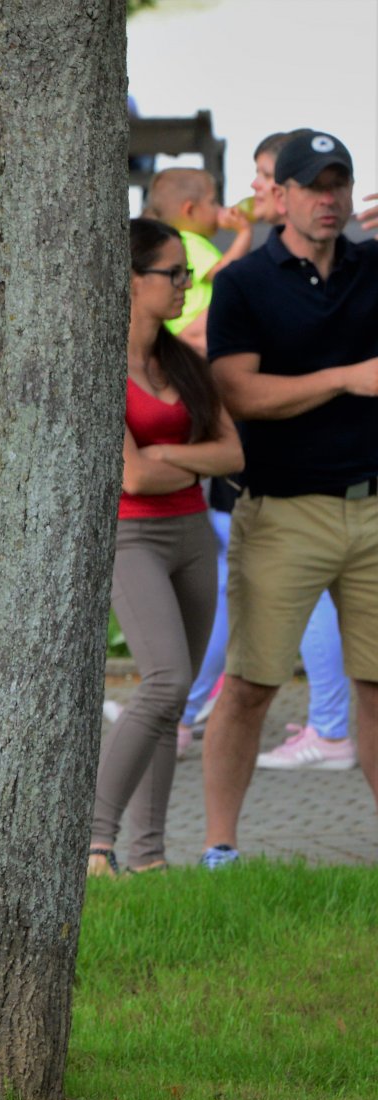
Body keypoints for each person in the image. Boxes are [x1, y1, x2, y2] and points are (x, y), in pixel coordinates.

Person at [200, 130, 378, 868]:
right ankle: (220, 846)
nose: (328, 199)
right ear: (281, 196)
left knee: (377, 684)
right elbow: (238, 391)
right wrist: (344, 378)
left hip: (373, 506)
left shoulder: (374, 267)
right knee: (250, 684)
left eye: (339, 184)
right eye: (313, 186)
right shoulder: (245, 284)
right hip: (283, 510)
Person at [177, 132, 354, 771]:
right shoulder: (250, 275)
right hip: (262, 477)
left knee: (316, 620)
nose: (253, 190)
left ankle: (331, 729)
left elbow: (193, 333)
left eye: (264, 177)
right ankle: (186, 709)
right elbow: (222, 363)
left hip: (329, 488)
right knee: (235, 607)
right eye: (258, 177)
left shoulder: (352, 268)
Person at [88, 219, 244, 877]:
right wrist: (184, 461)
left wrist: (170, 454)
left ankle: (149, 858)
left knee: (173, 698)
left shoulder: (182, 361)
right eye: (173, 273)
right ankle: (94, 841)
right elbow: (131, 476)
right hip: (132, 536)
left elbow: (233, 452)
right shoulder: (97, 364)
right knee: (166, 679)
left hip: (191, 535)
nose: (186, 284)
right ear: (131, 280)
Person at [141, 167, 253, 356]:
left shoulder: (186, 242)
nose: (219, 208)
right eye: (213, 202)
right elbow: (222, 274)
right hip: (194, 326)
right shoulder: (187, 242)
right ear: (190, 210)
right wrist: (244, 234)